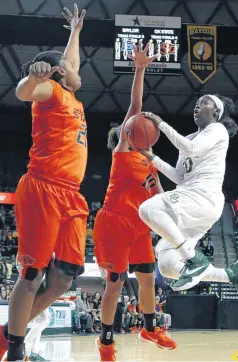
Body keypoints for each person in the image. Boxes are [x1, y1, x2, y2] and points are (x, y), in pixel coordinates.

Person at [0, 5, 89, 361]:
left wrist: (75, 32)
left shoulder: (72, 93)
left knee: (64, 278)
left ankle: (10, 334)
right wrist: (34, 77)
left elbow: (72, 63)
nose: (75, 67)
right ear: (56, 73)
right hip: (43, 187)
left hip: (71, 195)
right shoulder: (50, 91)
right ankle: (17, 350)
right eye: (68, 66)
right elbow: (23, 92)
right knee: (33, 272)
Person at [93, 43, 176, 361]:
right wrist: (140, 68)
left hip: (140, 226)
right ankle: (106, 341)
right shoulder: (122, 153)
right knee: (114, 285)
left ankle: (150, 328)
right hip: (114, 223)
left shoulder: (150, 163)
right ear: (126, 136)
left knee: (146, 280)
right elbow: (136, 104)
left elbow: (160, 197)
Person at [138, 96, 238, 298]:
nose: (197, 105)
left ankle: (194, 259)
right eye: (197, 102)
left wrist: (161, 124)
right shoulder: (191, 137)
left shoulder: (217, 130)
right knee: (167, 264)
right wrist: (153, 158)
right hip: (191, 200)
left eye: (204, 103)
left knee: (148, 209)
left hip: (203, 196)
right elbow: (178, 176)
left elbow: (190, 148)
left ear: (216, 113)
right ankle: (232, 274)